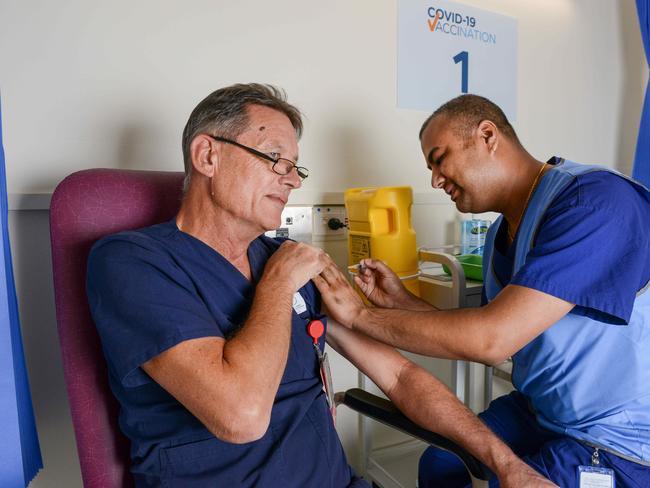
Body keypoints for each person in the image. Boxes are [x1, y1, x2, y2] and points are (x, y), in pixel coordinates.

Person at [87, 85, 555, 487]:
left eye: (295, 166)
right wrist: (277, 282)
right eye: (275, 159)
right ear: (208, 155)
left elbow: (399, 376)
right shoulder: (134, 262)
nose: (291, 179)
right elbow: (241, 416)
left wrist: (505, 462)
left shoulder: (281, 260)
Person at [313, 94, 650, 487]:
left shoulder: (595, 204)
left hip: (615, 434)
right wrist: (403, 304)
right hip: (542, 411)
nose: (435, 180)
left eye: (439, 159)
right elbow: (504, 343)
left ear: (487, 135)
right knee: (442, 463)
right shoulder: (499, 235)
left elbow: (491, 340)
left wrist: (359, 315)